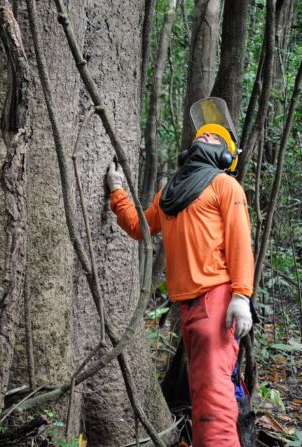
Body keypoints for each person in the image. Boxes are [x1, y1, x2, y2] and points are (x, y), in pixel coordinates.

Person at [107, 124, 254, 447]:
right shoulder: (170, 193)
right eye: (202, 134)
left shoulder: (225, 186)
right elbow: (139, 226)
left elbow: (241, 242)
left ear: (226, 155)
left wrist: (241, 296)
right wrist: (117, 191)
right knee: (203, 393)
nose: (206, 138)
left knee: (213, 398)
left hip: (216, 301)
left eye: (215, 138)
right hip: (188, 307)